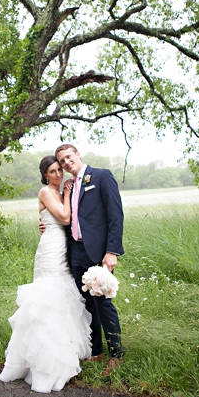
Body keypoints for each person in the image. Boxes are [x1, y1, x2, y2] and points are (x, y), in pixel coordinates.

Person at [0, 156, 92, 393]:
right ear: (45, 175)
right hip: (51, 250)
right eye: (53, 171)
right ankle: (43, 363)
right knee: (48, 299)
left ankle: (62, 359)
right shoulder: (46, 192)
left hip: (65, 249)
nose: (58, 175)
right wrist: (69, 195)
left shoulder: (60, 194)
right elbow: (64, 217)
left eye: (60, 170)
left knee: (63, 299)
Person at [55, 143, 126, 377]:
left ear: (78, 154)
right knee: (85, 302)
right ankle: (96, 351)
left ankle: (117, 354)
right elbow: (67, 217)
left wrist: (112, 251)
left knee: (103, 303)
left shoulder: (101, 176)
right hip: (76, 251)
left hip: (98, 252)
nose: (66, 163)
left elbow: (116, 216)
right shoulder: (70, 186)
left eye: (68, 157)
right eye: (62, 161)